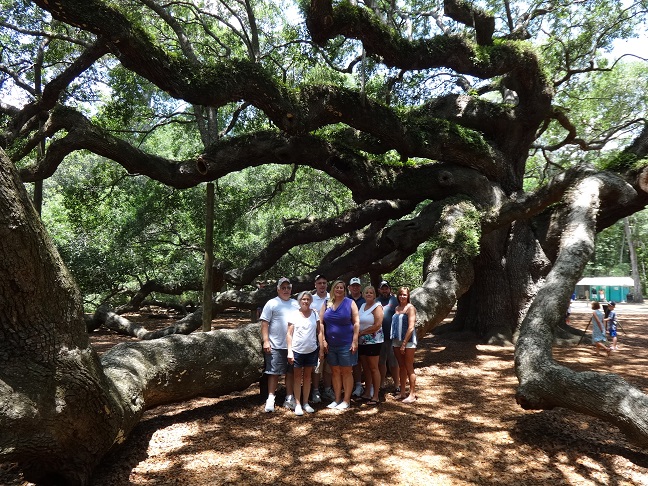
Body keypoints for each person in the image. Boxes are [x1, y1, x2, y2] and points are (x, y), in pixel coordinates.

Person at [320, 279, 360, 411]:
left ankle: (346, 400)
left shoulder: (350, 303)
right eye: (336, 287)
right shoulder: (327, 303)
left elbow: (356, 322)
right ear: (333, 289)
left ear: (345, 290)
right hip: (331, 345)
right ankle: (336, 399)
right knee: (335, 372)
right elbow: (320, 322)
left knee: (346, 372)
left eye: (341, 288)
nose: (338, 290)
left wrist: (355, 341)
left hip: (346, 344)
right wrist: (324, 340)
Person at [260, 277, 299, 412]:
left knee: (291, 373)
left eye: (288, 288)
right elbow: (265, 323)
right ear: (278, 289)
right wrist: (266, 340)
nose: (286, 290)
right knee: (274, 372)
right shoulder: (272, 303)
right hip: (275, 344)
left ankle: (289, 397)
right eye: (283, 288)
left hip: (293, 345)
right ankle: (271, 398)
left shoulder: (295, 304)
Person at [287, 291, 321, 415]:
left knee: (307, 377)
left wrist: (321, 347)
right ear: (299, 301)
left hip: (311, 350)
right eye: (303, 299)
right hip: (297, 350)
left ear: (310, 301)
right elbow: (289, 334)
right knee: (297, 377)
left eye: (308, 299)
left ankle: (306, 403)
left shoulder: (315, 314)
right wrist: (290, 351)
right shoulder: (294, 315)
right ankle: (297, 404)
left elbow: (319, 331)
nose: (305, 301)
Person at [357, 286, 384, 405]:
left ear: (374, 295)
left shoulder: (377, 307)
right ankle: (367, 392)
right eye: (366, 292)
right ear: (363, 294)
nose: (368, 294)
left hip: (373, 342)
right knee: (366, 368)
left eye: (371, 292)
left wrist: (362, 332)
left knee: (373, 368)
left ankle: (376, 396)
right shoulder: (362, 306)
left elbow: (377, 325)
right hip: (361, 342)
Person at [391, 286, 417, 404]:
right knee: (401, 366)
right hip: (396, 340)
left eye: (405, 295)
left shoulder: (410, 308)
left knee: (409, 367)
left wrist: (404, 343)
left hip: (408, 341)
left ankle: (412, 393)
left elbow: (411, 327)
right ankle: (402, 392)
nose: (402, 296)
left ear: (408, 296)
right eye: (401, 294)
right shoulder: (397, 308)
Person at [310, 274, 330, 403]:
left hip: (333, 336)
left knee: (329, 365)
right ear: (315, 285)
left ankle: (328, 389)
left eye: (324, 283)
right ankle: (315, 391)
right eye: (319, 283)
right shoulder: (310, 299)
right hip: (315, 336)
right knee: (317, 365)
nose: (322, 285)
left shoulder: (332, 297)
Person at [378, 281, 400, 394]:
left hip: (392, 337)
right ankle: (381, 384)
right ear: (379, 290)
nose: (384, 290)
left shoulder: (395, 300)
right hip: (379, 337)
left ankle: (397, 385)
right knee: (381, 362)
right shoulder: (376, 301)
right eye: (382, 288)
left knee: (394, 362)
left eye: (386, 288)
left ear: (390, 289)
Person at [347, 277, 365, 397]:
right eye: (353, 286)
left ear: (360, 287)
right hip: (347, 335)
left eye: (357, 285)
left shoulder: (365, 300)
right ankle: (348, 386)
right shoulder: (345, 300)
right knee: (348, 361)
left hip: (363, 335)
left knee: (361, 361)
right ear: (349, 287)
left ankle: (359, 385)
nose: (355, 287)